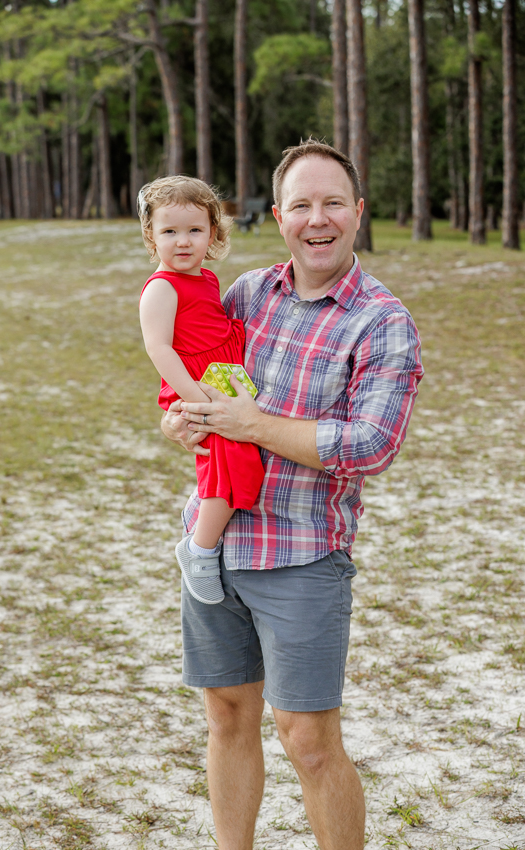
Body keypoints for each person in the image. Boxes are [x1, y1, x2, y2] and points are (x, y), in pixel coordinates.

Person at [162, 140, 424, 850]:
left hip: (303, 556)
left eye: (332, 203)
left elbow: (371, 444)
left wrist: (256, 426)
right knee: (225, 716)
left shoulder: (381, 321)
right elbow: (199, 381)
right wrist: (181, 420)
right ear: (278, 216)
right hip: (212, 545)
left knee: (307, 738)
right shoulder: (244, 293)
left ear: (357, 213)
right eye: (301, 205)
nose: (318, 219)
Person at [137, 176, 264, 606]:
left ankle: (207, 531)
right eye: (169, 231)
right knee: (231, 460)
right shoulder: (161, 288)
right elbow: (158, 348)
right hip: (192, 386)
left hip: (215, 381)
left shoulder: (207, 278)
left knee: (236, 461)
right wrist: (194, 396)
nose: (183, 241)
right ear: (151, 237)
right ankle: (199, 549)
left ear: (213, 232)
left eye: (194, 230)